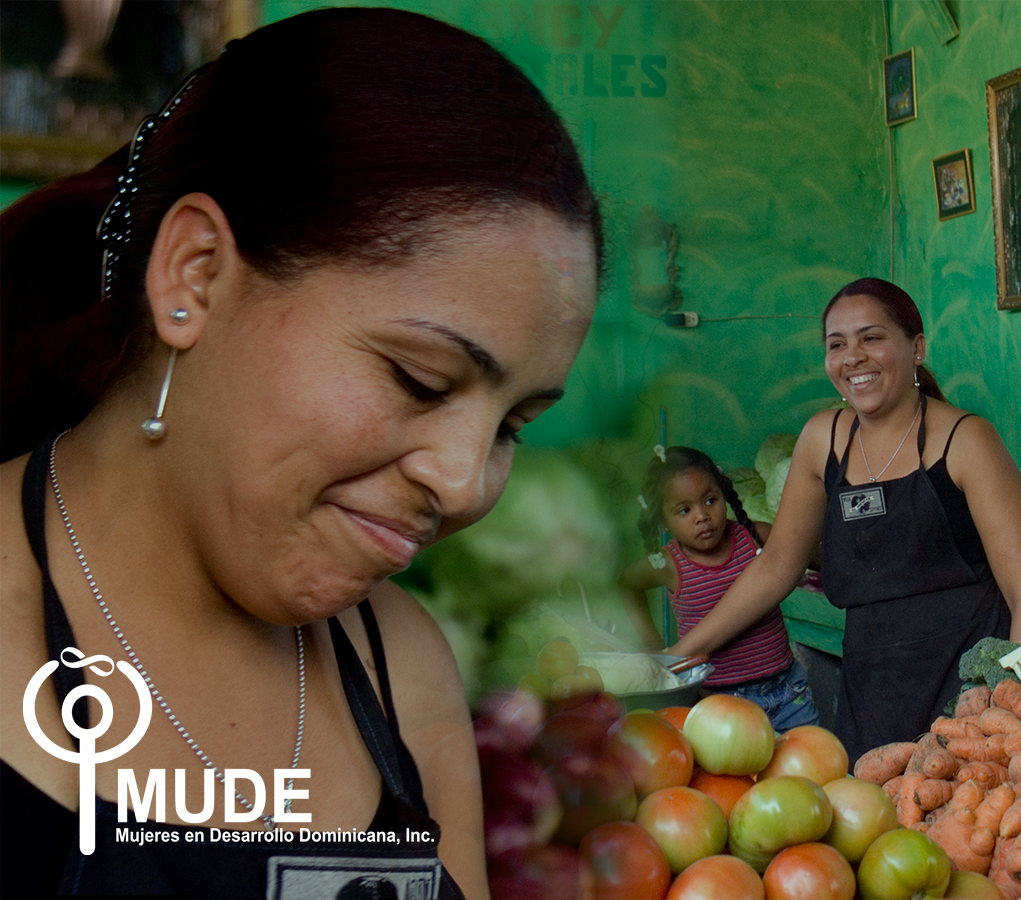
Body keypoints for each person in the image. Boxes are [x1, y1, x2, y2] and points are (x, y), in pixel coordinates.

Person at [0, 9, 601, 898]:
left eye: (513, 426)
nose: (466, 483)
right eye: (420, 379)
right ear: (196, 275)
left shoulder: (404, 666)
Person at [666, 278, 1021, 761]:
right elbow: (777, 565)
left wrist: (1009, 719)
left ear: (917, 347)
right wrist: (680, 655)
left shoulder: (966, 440)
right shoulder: (822, 440)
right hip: (872, 689)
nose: (852, 357)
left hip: (968, 687)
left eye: (871, 337)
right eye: (836, 344)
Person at [617, 446, 820, 730]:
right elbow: (626, 583)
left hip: (786, 694)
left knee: (810, 766)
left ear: (724, 494)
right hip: (714, 704)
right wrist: (652, 644)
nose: (702, 516)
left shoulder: (756, 537)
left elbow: (808, 553)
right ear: (663, 520)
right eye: (684, 510)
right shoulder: (668, 564)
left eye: (710, 500)